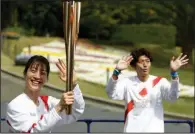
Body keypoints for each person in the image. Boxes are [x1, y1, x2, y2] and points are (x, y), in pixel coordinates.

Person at [105, 48, 189, 133]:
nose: (145, 65)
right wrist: (116, 71)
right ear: (134, 65)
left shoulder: (159, 82)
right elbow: (111, 93)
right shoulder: (127, 83)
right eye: (141, 62)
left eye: (148, 61)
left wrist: (174, 73)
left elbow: (173, 97)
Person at [6, 55, 85, 133]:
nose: (37, 76)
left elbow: (75, 112)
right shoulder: (15, 105)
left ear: (46, 79)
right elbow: (30, 132)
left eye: (42, 73)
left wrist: (73, 84)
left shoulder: (47, 102)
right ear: (25, 74)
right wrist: (58, 108)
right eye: (33, 71)